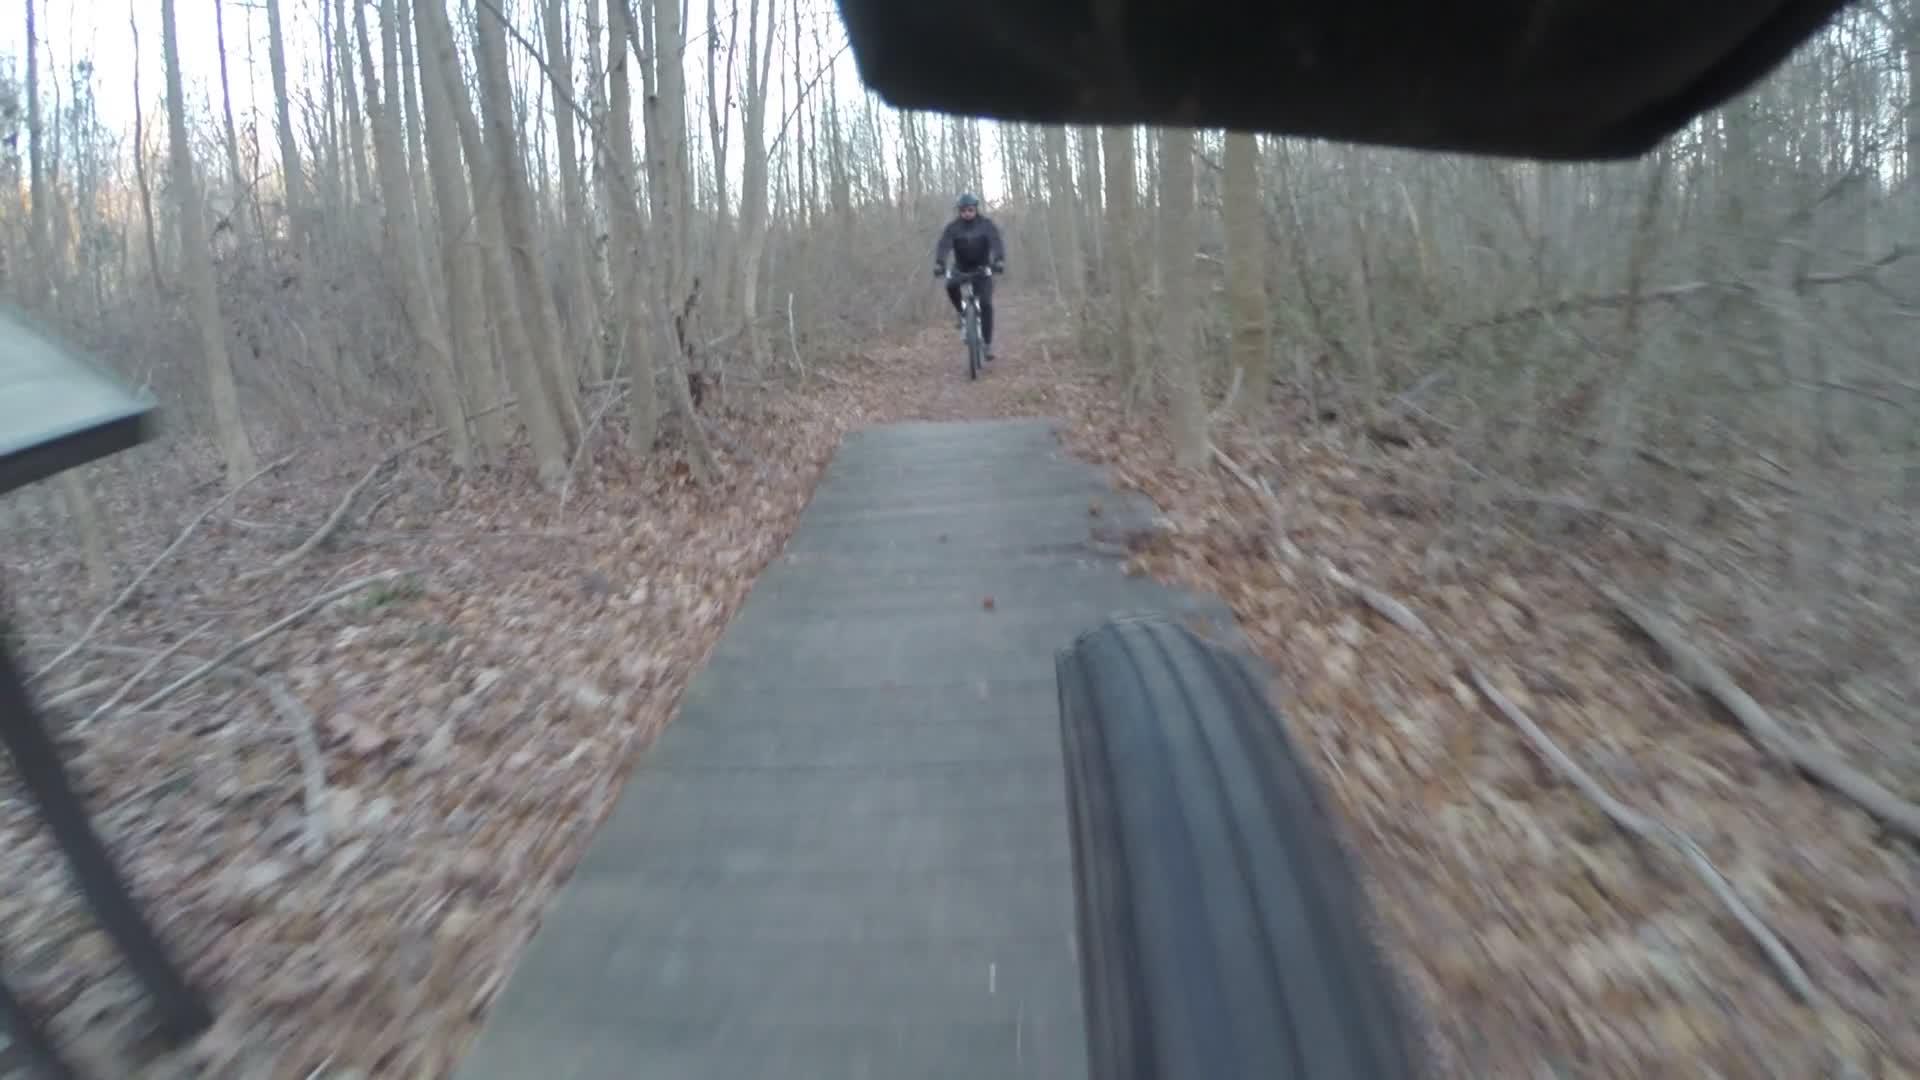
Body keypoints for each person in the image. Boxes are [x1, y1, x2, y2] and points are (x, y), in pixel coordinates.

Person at [931, 193, 1006, 361]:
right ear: (960, 211)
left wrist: (999, 260)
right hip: (961, 268)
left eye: (970, 210)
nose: (967, 213)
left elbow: (996, 242)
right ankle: (961, 311)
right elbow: (944, 244)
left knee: (986, 304)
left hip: (983, 269)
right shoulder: (953, 227)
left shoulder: (986, 225)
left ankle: (987, 345)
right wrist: (940, 263)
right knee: (950, 285)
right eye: (964, 210)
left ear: (976, 209)